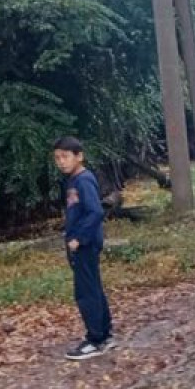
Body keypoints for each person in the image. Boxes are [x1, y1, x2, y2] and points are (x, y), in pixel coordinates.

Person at [52, 136, 113, 360]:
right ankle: (104, 334)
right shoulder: (73, 180)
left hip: (85, 244)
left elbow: (95, 212)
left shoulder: (84, 180)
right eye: (57, 158)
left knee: (86, 292)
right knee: (93, 287)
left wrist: (79, 238)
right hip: (81, 243)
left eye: (65, 157)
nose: (61, 162)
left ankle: (95, 340)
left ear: (79, 156)